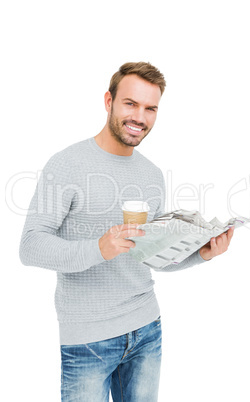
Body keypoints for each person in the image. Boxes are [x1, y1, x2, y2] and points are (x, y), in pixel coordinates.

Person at [19, 62, 234, 402]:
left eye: (150, 108)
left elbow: (150, 255)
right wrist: (98, 249)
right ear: (109, 101)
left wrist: (200, 254)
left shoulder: (151, 175)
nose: (140, 117)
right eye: (130, 104)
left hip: (147, 330)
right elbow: (30, 247)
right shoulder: (68, 164)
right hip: (87, 340)